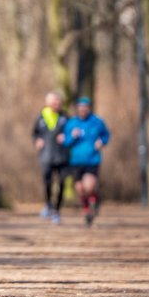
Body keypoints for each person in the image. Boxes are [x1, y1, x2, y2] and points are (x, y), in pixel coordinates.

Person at [62, 97, 110, 226]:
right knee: (79, 188)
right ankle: (86, 208)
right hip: (76, 160)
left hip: (92, 159)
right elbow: (65, 142)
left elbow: (106, 135)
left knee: (89, 186)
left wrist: (102, 142)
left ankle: (94, 201)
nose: (83, 109)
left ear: (89, 108)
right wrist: (72, 136)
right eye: (80, 107)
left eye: (85, 107)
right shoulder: (71, 123)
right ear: (77, 108)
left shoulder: (97, 122)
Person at [32, 92, 69, 224]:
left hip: (62, 156)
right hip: (46, 156)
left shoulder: (66, 117)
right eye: (52, 102)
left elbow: (71, 133)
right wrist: (37, 140)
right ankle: (48, 204)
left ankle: (57, 210)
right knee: (47, 182)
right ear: (47, 103)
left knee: (62, 183)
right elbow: (35, 133)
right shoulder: (41, 117)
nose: (55, 104)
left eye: (57, 102)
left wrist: (67, 138)